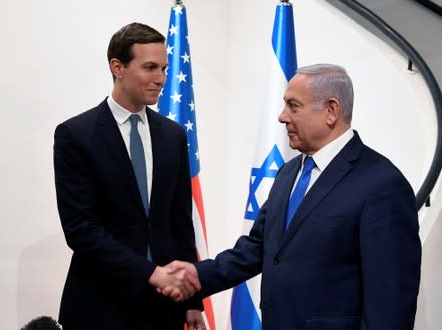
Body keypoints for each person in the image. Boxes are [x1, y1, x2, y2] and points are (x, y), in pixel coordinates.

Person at [165, 64, 422, 329]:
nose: (282, 117)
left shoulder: (382, 184)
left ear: (331, 110)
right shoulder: (289, 172)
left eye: (293, 106)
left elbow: (390, 303)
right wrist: (197, 274)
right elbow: (257, 249)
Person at [53, 22, 204, 330]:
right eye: (150, 67)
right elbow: (81, 230)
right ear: (117, 67)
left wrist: (192, 301)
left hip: (164, 308)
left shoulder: (173, 136)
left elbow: (180, 223)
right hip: (99, 305)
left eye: (163, 68)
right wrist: (150, 273)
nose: (161, 79)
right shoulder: (75, 135)